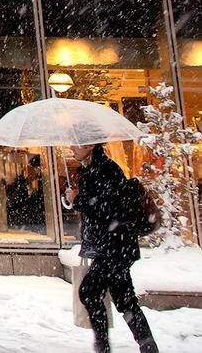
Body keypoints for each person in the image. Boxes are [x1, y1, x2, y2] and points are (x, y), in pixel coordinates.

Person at [64, 143, 158, 353]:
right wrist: (73, 199)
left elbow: (109, 208)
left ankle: (103, 347)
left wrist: (78, 199)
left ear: (89, 145)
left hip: (115, 246)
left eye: (76, 144)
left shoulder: (105, 169)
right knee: (125, 301)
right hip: (113, 247)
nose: (71, 148)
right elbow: (96, 205)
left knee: (89, 291)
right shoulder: (92, 169)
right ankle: (147, 346)